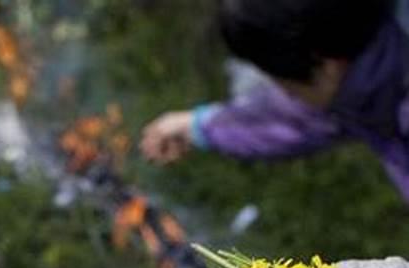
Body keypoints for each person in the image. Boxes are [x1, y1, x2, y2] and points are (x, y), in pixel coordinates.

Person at [140, 0, 409, 202]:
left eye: (281, 81)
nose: (285, 93)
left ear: (327, 65)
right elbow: (291, 120)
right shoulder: (366, 80)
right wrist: (196, 126)